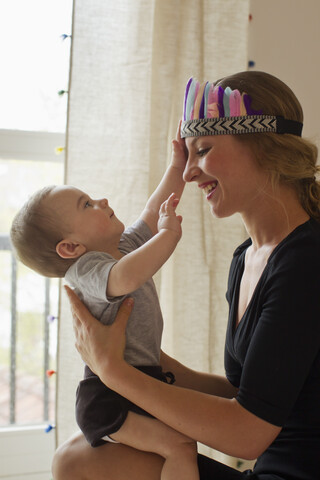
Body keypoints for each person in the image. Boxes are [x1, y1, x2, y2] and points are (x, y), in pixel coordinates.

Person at [52, 70, 320, 480]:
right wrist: (139, 356)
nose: (190, 172)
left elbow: (249, 432)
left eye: (204, 150)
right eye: (187, 155)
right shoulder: (246, 258)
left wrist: (115, 373)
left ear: (263, 146)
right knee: (77, 453)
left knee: (77, 462)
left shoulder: (306, 261)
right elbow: (255, 394)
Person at [10, 128, 202, 480]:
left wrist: (178, 164)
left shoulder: (123, 246)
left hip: (135, 383)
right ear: (70, 248)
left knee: (173, 449)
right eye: (87, 205)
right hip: (109, 398)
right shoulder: (88, 271)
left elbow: (154, 206)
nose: (102, 201)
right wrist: (168, 235)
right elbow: (125, 277)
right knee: (180, 445)